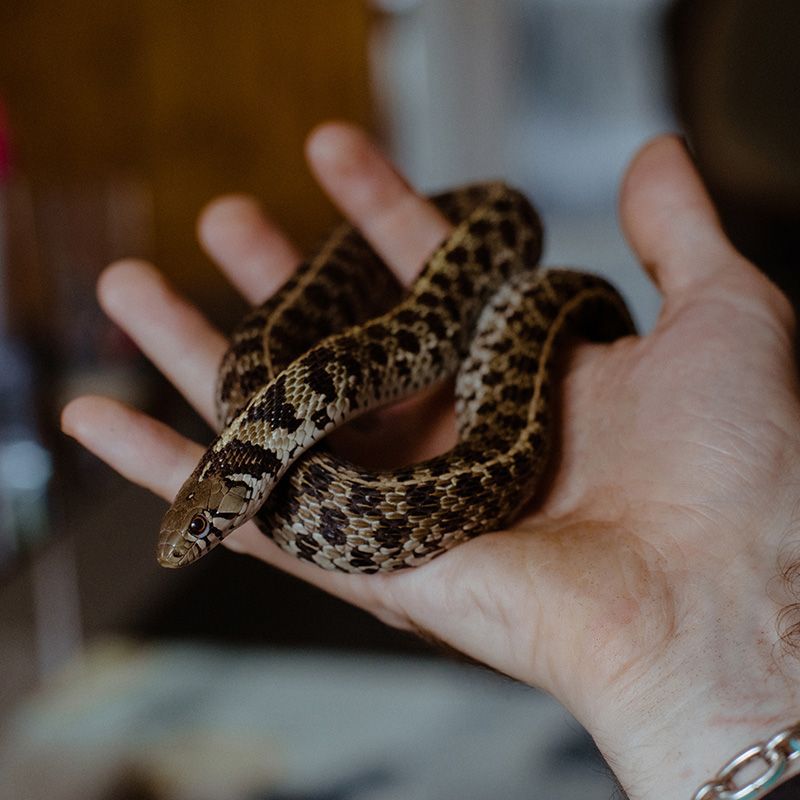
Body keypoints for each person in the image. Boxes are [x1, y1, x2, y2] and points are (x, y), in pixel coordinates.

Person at [61, 122, 800, 799]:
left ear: (225, 497)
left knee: (313, 356)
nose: (195, 544)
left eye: (199, 533)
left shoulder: (284, 427)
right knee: (262, 356)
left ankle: (556, 302)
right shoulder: (265, 432)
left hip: (433, 368)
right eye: (199, 534)